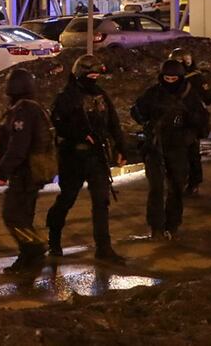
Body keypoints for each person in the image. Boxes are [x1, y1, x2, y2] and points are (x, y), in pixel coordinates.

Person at [44, 54, 128, 263]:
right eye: (89, 75)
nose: (94, 79)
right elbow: (59, 123)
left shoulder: (100, 95)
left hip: (96, 158)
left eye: (96, 75)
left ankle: (104, 248)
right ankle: (53, 240)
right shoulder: (66, 97)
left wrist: (121, 148)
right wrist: (80, 134)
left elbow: (113, 124)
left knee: (101, 202)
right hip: (73, 158)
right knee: (67, 199)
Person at [131, 60, 209, 239]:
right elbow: (136, 111)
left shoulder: (190, 96)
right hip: (155, 147)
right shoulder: (153, 93)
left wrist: (188, 133)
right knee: (156, 188)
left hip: (178, 148)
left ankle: (172, 224)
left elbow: (202, 122)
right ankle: (156, 226)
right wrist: (148, 122)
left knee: (176, 188)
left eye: (174, 78)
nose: (170, 81)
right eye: (167, 78)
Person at [0, 68, 54, 274]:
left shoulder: (23, 111)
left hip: (26, 172)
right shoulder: (33, 107)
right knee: (24, 216)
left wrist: (3, 171)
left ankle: (35, 248)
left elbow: (18, 146)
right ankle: (28, 259)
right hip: (32, 172)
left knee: (12, 215)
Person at [168, 48, 211, 196]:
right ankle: (181, 181)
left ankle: (193, 182)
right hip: (175, 120)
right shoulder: (171, 77)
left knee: (192, 152)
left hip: (191, 120)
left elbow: (207, 97)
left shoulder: (195, 78)